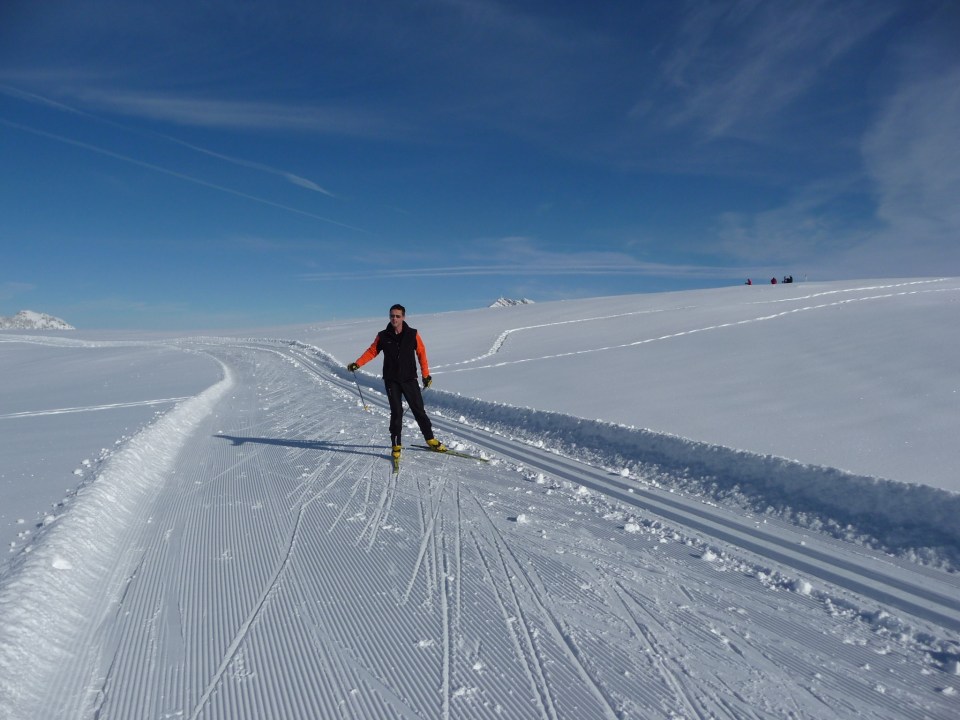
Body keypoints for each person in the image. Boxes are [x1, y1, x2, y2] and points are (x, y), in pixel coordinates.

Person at [347, 304, 447, 464]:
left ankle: (430, 440)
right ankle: (396, 445)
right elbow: (372, 351)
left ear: (403, 317)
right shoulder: (383, 335)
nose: (394, 318)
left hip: (409, 379)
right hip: (391, 380)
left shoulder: (413, 334)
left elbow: (422, 354)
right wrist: (358, 364)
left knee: (419, 411)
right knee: (396, 412)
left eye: (397, 316)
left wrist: (426, 375)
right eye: (392, 316)